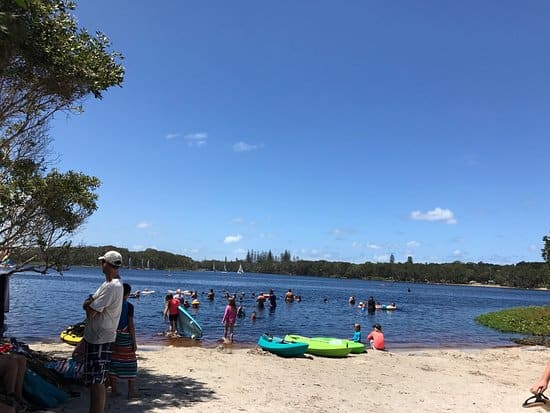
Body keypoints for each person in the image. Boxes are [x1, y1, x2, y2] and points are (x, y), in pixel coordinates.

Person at [82, 250, 124, 413]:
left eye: (102, 262)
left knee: (97, 380)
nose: (101, 265)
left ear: (107, 264)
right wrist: (90, 302)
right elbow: (91, 302)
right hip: (98, 336)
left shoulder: (112, 286)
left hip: (100, 337)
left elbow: (90, 310)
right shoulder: (111, 283)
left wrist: (88, 303)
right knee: (96, 379)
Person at [109, 283, 138, 399]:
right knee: (131, 363)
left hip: (113, 336)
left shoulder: (112, 305)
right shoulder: (129, 306)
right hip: (125, 336)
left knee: (114, 362)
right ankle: (130, 392)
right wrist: (134, 342)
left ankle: (114, 390)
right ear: (128, 294)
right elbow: (130, 325)